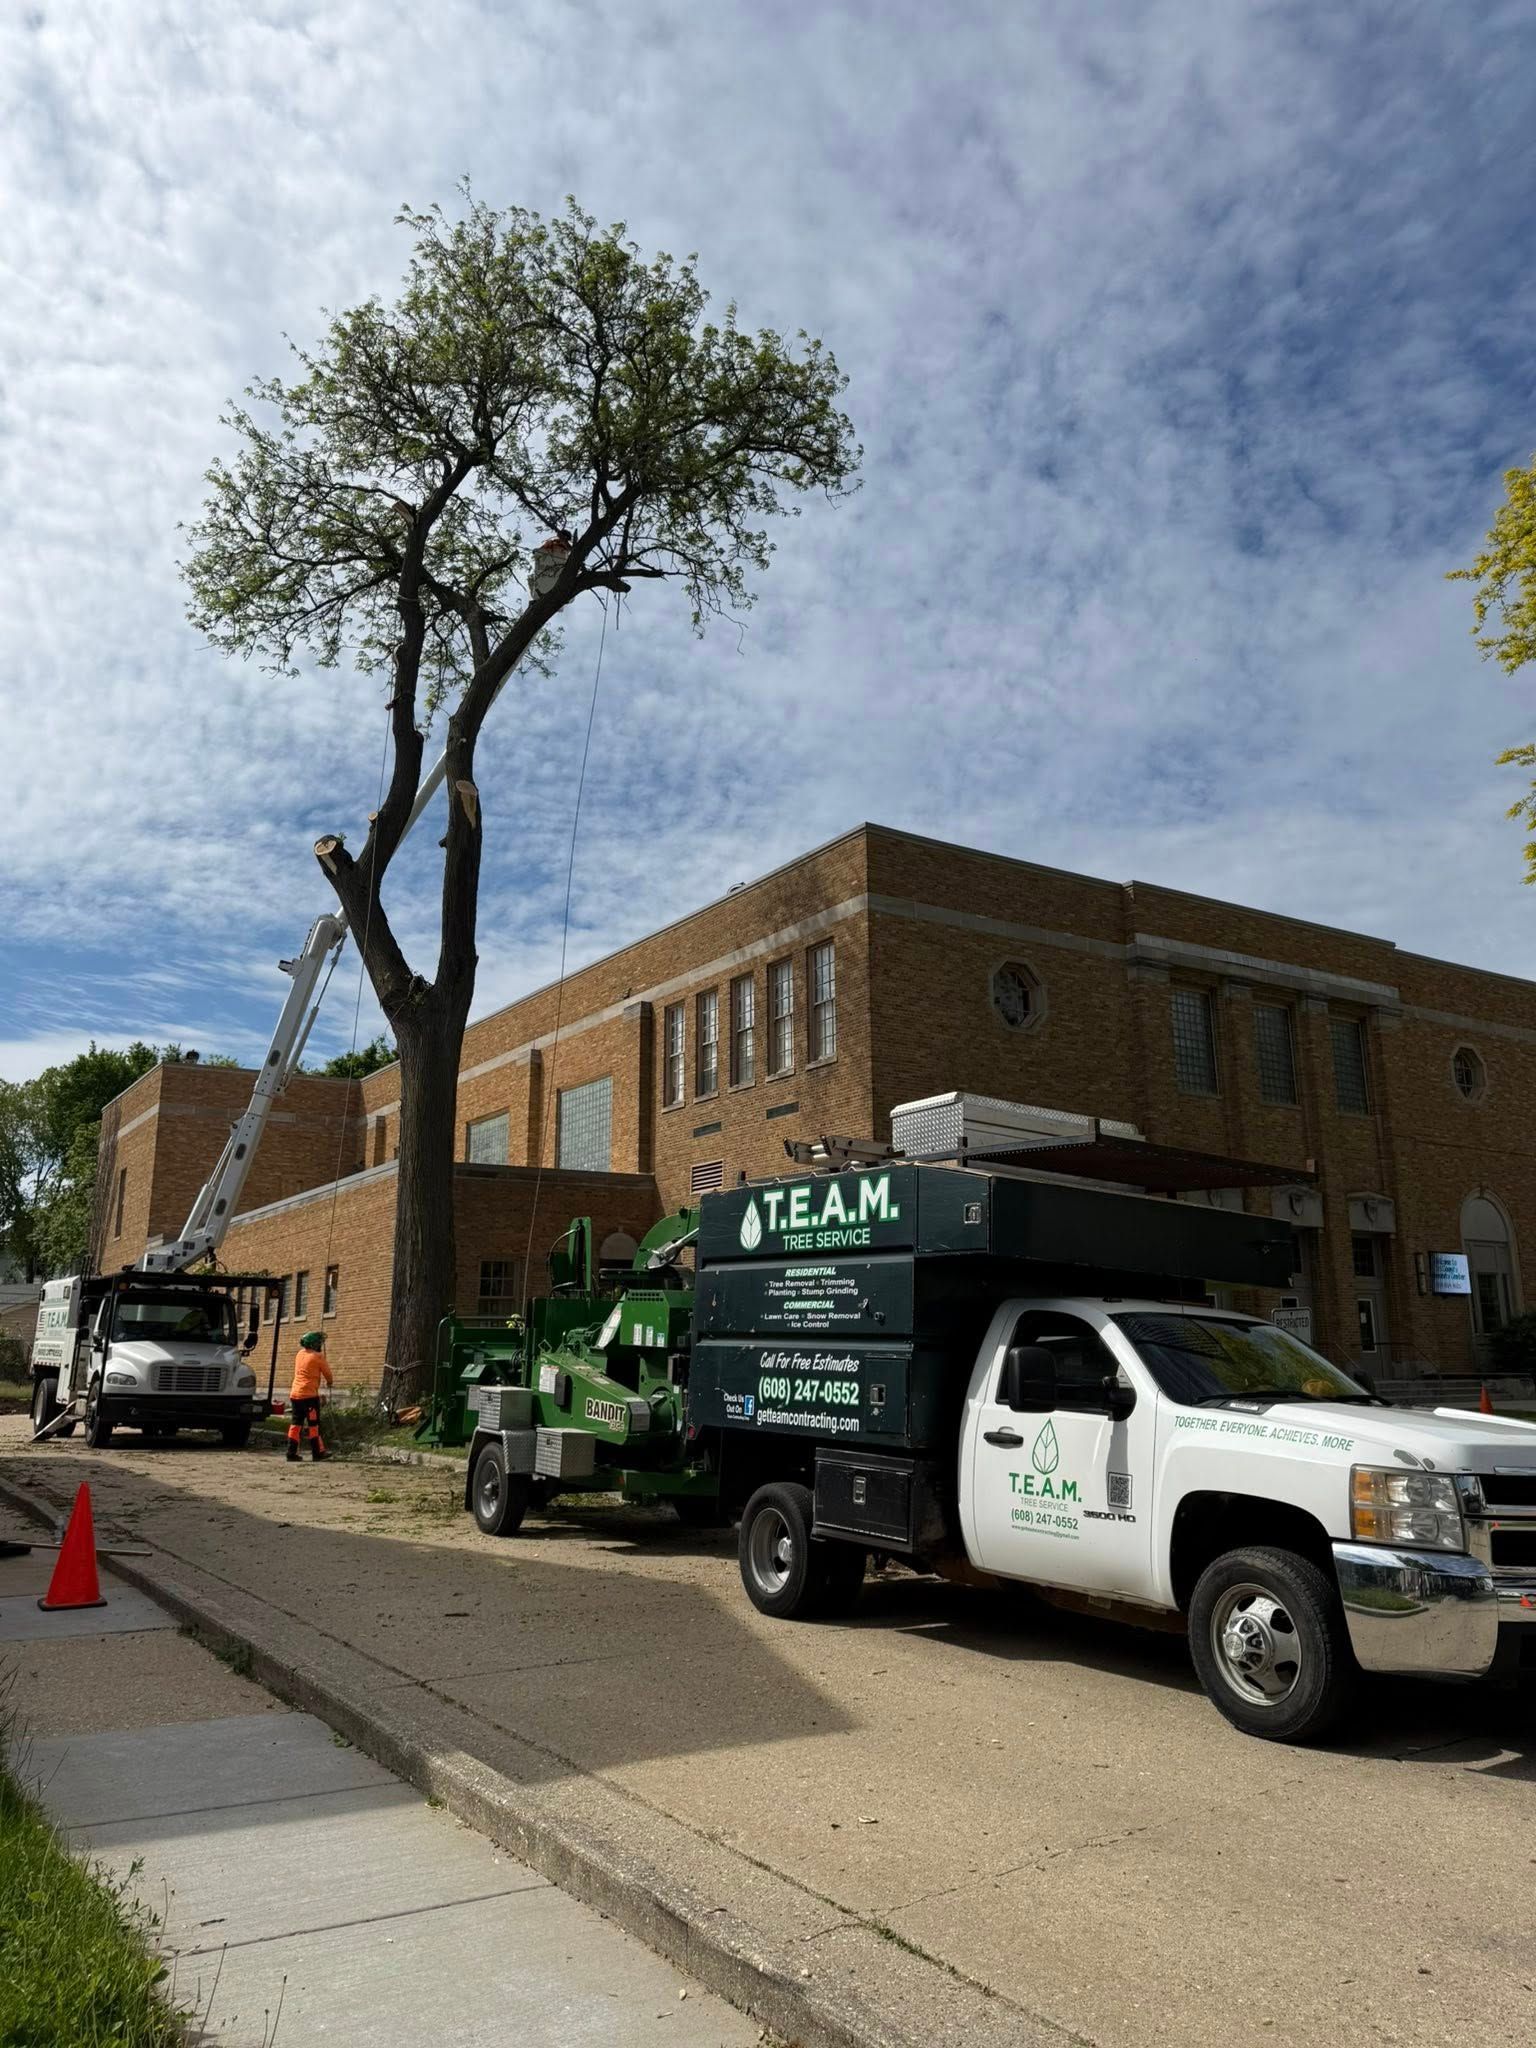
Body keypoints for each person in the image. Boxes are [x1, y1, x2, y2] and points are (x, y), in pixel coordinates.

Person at [287, 1331, 333, 1462]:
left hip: (295, 1395)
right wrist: (330, 1382)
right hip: (309, 1397)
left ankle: (291, 1452)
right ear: (314, 1344)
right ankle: (317, 1453)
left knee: (296, 1424)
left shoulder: (299, 1354)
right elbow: (327, 1373)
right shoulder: (318, 1356)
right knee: (313, 1425)